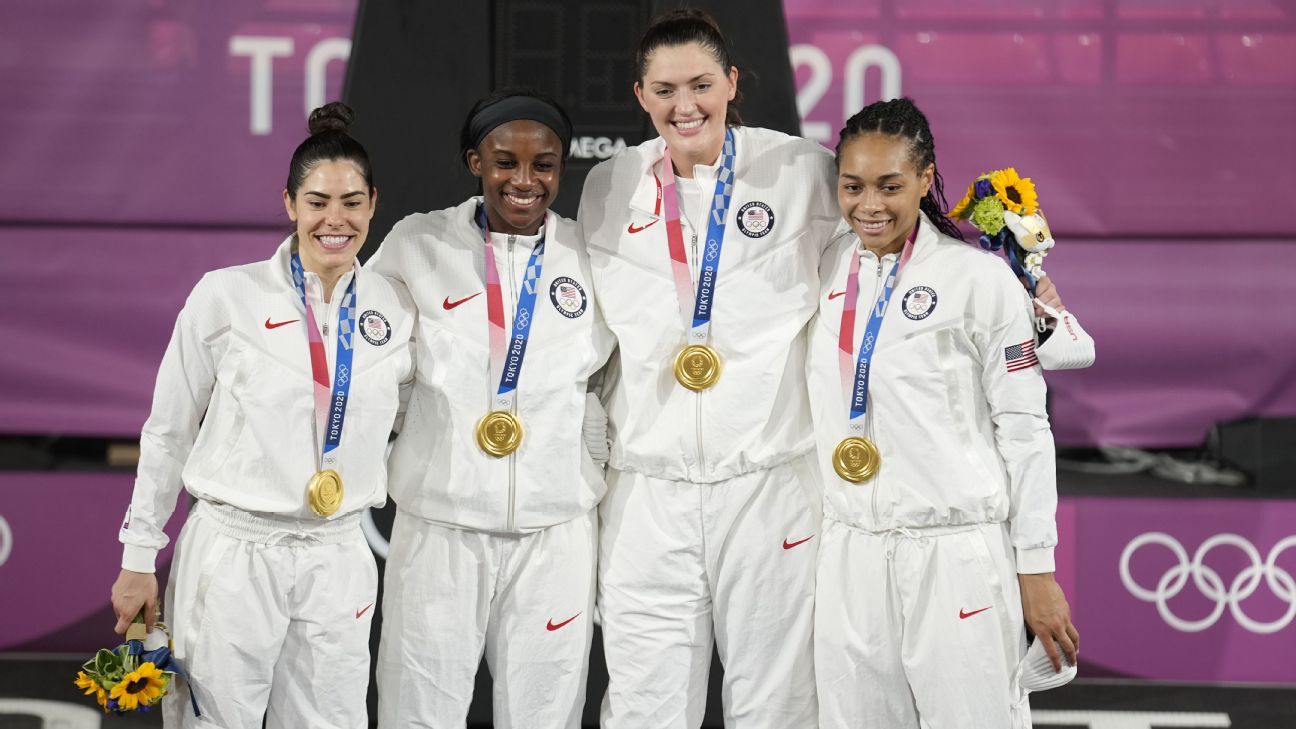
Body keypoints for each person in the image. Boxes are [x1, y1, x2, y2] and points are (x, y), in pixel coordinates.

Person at [111, 102, 414, 728]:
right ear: (289, 204)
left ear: (374, 203)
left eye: (352, 202)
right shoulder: (227, 296)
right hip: (234, 549)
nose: (336, 220)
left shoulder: (395, 309)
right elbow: (167, 432)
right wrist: (139, 555)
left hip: (339, 552)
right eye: (318, 202)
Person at [576, 10, 840, 727]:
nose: (682, 105)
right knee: (642, 703)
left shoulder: (801, 171)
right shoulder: (608, 186)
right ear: (639, 94)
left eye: (699, 84)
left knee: (777, 703)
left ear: (731, 82)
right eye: (663, 89)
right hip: (647, 493)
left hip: (768, 485)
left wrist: (1017, 283)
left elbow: (888, 239)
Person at [806, 97, 1080, 728]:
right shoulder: (824, 266)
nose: (868, 205)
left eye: (889, 186)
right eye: (852, 186)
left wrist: (1035, 568)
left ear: (926, 180)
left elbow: (1026, 430)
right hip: (850, 551)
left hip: (954, 554)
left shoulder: (979, 280)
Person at [367, 90, 614, 729]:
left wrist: (585, 463)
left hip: (554, 532)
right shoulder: (418, 243)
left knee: (545, 715)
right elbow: (371, 363)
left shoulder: (593, 257)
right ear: (475, 162)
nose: (526, 181)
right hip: (440, 526)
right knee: (417, 711)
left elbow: (615, 381)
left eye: (545, 165)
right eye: (506, 162)